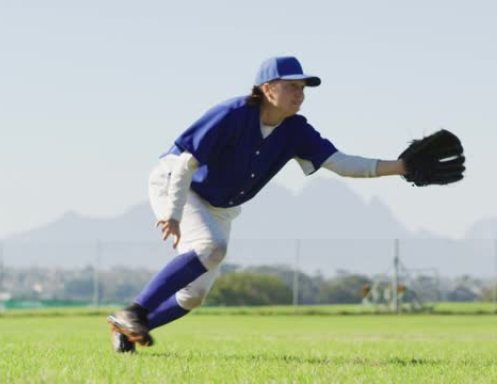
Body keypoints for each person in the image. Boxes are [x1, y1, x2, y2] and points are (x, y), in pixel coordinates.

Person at [107, 56, 408, 353]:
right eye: (292, 86)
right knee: (211, 248)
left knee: (193, 296)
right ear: (267, 88)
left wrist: (402, 167)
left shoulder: (296, 130)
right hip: (179, 183)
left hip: (220, 205)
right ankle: (134, 311)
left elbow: (342, 163)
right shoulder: (233, 114)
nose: (300, 93)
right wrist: (172, 214)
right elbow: (186, 164)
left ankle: (127, 331)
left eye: (303, 87)